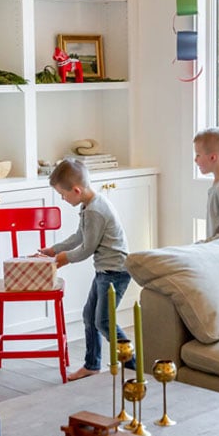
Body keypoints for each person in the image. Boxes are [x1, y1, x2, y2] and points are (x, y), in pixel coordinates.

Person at [39, 158, 135, 381]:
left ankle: (133, 364)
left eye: (63, 195)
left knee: (103, 321)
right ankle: (92, 365)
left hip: (115, 273)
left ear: (76, 190)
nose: (62, 199)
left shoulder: (95, 211)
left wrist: (64, 258)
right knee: (89, 316)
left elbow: (86, 249)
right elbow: (79, 237)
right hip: (105, 271)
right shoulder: (89, 204)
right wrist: (53, 249)